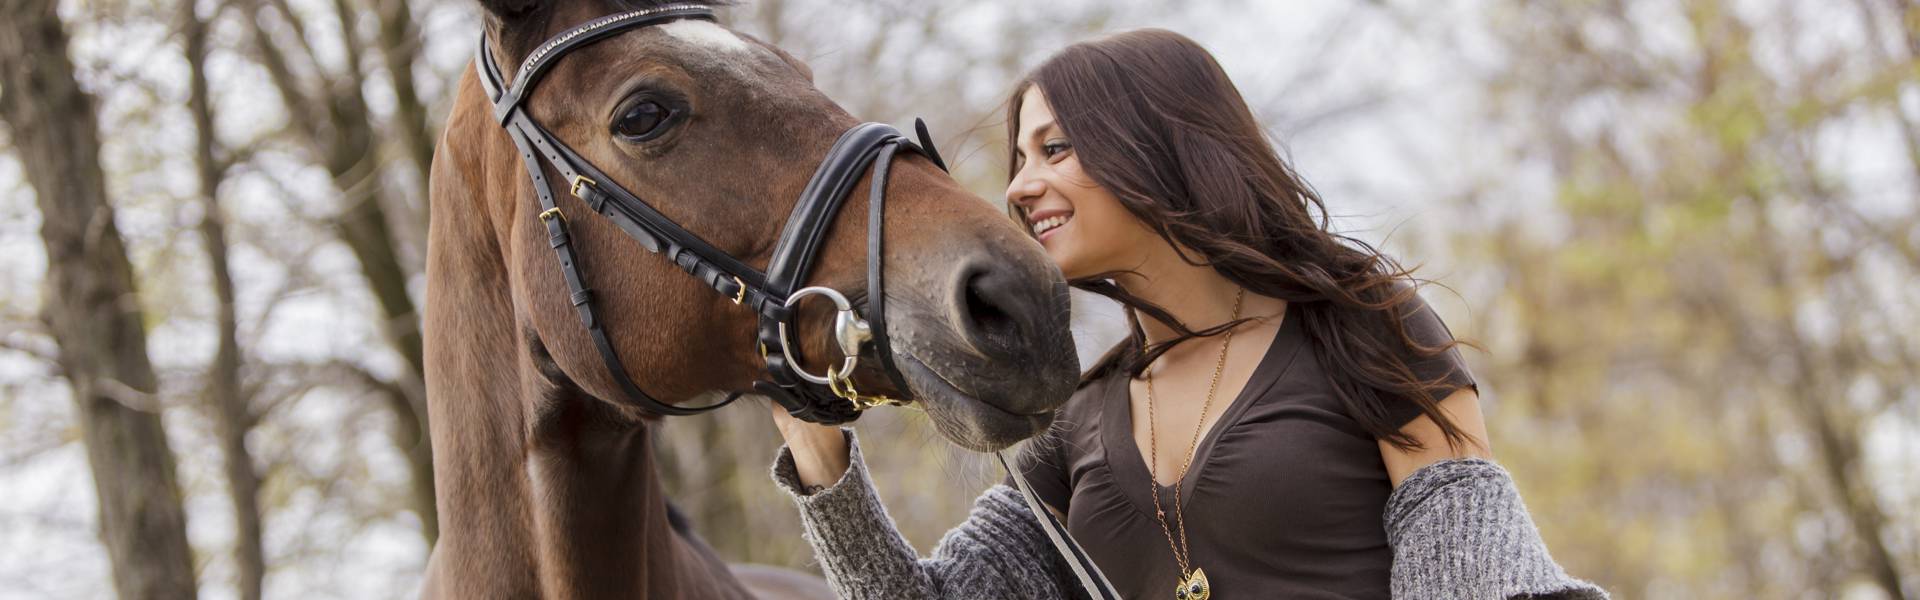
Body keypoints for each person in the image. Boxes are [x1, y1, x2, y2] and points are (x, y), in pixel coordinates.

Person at [767, 28, 1606, 600]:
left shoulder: (1363, 326)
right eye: (1018, 159)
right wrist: (821, 459)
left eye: (1055, 148)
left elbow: (1470, 571)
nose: (1019, 187)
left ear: (1156, 142)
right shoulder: (1078, 420)